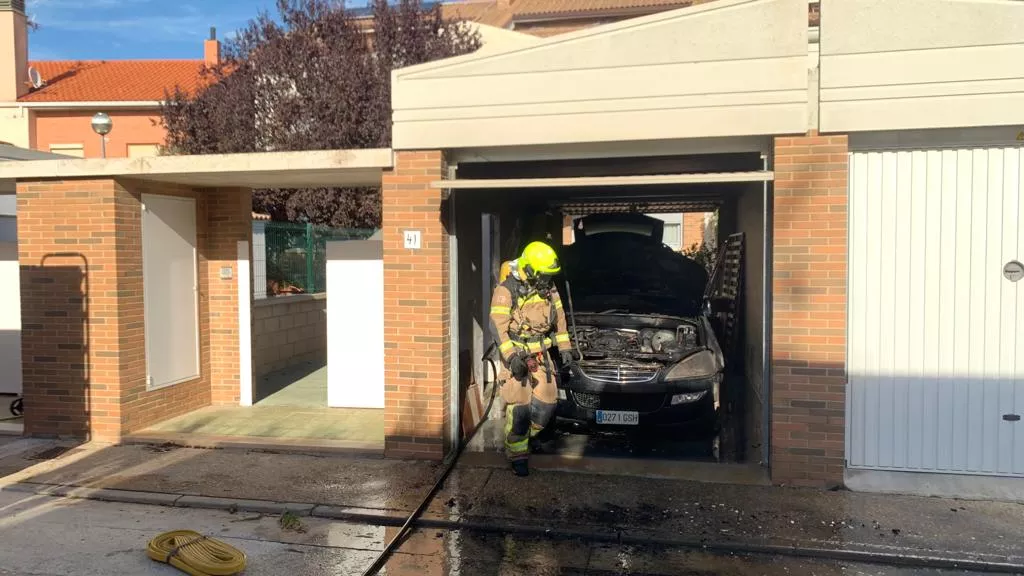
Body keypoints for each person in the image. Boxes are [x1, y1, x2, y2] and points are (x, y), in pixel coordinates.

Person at [489, 241, 574, 477]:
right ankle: (517, 454)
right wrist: (511, 357)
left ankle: (526, 436)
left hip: (541, 356)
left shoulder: (549, 288)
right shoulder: (506, 291)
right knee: (520, 410)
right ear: (530, 269)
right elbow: (497, 328)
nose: (548, 279)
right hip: (517, 355)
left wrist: (565, 348)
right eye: (544, 274)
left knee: (547, 405)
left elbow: (560, 320)